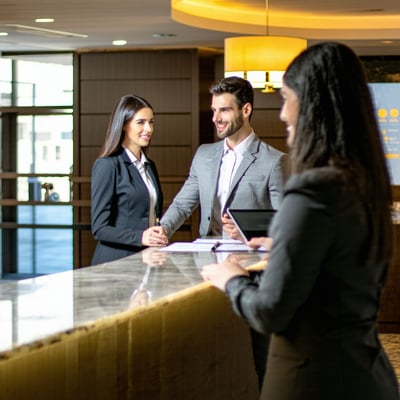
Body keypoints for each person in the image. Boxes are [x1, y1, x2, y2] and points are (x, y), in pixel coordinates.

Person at [201, 42, 399, 400]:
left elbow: (269, 312)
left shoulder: (311, 190)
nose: (282, 114)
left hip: (312, 380)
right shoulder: (362, 183)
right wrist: (289, 245)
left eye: (286, 98)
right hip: (370, 376)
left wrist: (230, 279)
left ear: (312, 106)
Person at [160, 76, 286, 240]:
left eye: (224, 110)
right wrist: (162, 229)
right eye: (214, 110)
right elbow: (182, 205)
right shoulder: (203, 155)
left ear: (246, 110)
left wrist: (248, 233)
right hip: (207, 253)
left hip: (249, 255)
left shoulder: (274, 161)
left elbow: (285, 221)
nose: (215, 118)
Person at [91, 94, 168, 265]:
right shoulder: (107, 165)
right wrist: (141, 237)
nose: (148, 129)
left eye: (151, 122)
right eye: (141, 122)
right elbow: (99, 229)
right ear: (124, 125)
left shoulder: (149, 166)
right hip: (116, 263)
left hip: (146, 259)